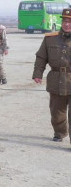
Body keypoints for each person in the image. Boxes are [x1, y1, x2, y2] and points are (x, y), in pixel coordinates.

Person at [32, 8, 71, 143]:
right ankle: (60, 132)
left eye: (70, 21)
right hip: (56, 79)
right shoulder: (51, 39)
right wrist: (38, 73)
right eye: (65, 21)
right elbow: (41, 57)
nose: (67, 24)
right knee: (57, 112)